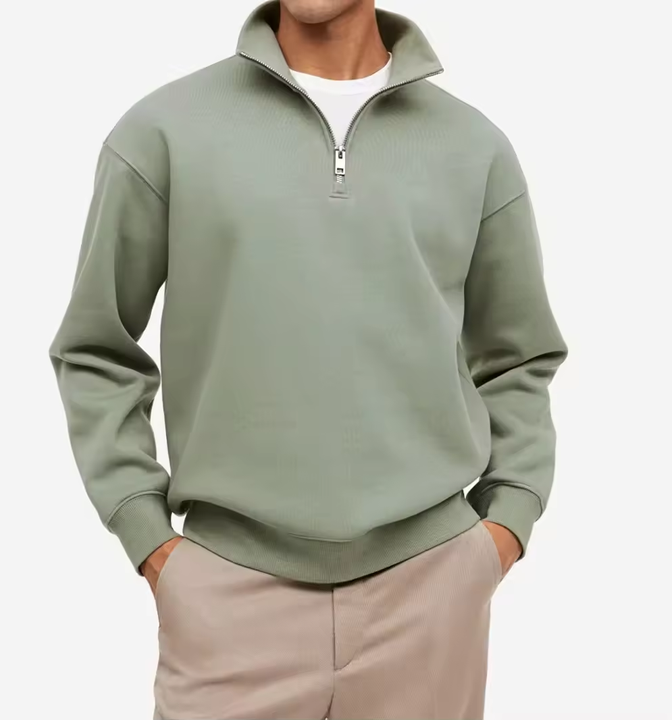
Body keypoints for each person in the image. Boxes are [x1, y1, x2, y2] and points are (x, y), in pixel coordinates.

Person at [49, 0, 567, 717]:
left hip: (430, 595)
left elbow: (520, 358)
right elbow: (96, 349)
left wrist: (503, 525)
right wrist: (148, 536)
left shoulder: (474, 148)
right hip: (227, 597)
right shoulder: (163, 131)